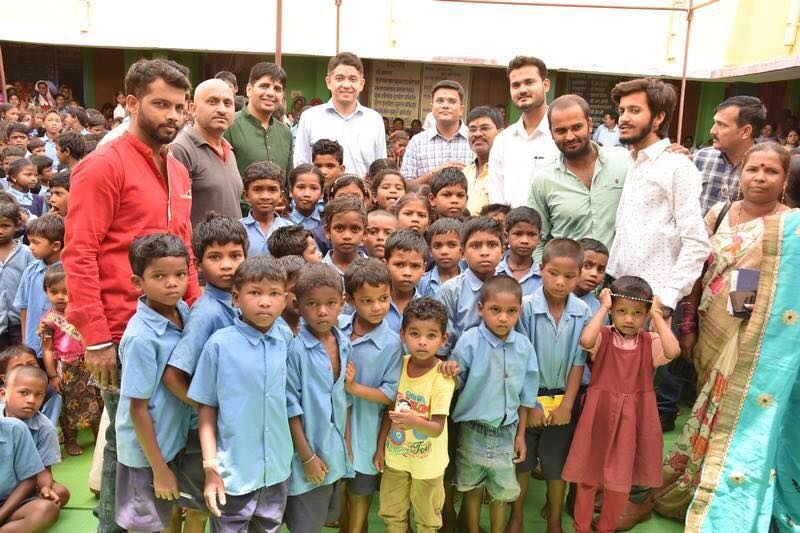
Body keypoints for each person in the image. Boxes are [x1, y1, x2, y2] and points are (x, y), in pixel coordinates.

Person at [62, 58, 200, 533]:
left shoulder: (177, 170)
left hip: (175, 329)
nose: (172, 116)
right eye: (160, 104)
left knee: (164, 442)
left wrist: (197, 319)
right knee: (129, 458)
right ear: (130, 103)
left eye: (180, 107)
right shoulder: (103, 165)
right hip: (123, 334)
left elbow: (185, 253)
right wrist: (97, 338)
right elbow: (78, 253)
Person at [654, 142, 793, 521]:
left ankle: (716, 488)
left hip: (755, 339)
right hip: (708, 327)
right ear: (741, 173)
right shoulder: (717, 214)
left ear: (784, 181)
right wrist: (687, 325)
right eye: (753, 169)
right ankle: (697, 476)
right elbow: (697, 271)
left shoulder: (790, 227)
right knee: (704, 402)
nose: (760, 177)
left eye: (771, 171)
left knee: (733, 414)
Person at [564, 279, 679, 533]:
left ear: (646, 314)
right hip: (599, 414)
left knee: (620, 481)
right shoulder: (603, 336)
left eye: (638, 313)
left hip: (634, 417)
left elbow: (673, 351)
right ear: (613, 310)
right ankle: (581, 527)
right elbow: (585, 340)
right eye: (622, 311)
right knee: (588, 477)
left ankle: (606, 527)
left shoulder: (650, 342)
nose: (629, 319)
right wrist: (603, 308)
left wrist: (657, 315)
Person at [188, 256, 295, 532]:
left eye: (273, 294)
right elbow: (207, 410)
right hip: (232, 473)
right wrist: (211, 467)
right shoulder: (219, 346)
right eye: (255, 293)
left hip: (276, 470)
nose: (264, 302)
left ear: (284, 299)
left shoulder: (285, 339)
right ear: (236, 297)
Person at [114, 234, 201, 533]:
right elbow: (137, 408)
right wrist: (159, 469)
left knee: (168, 514)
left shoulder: (182, 312)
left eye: (179, 275)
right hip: (146, 455)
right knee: (146, 524)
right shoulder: (141, 338)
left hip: (171, 440)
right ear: (138, 282)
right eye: (159, 276)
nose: (172, 284)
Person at [607, 78, 710, 316]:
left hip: (653, 301)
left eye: (634, 110)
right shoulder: (631, 162)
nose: (623, 118)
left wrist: (668, 299)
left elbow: (696, 242)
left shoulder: (677, 167)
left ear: (658, 118)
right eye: (621, 111)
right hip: (620, 291)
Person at [510, 238, 591, 533]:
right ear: (541, 270)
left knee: (557, 466)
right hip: (528, 400)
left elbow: (577, 362)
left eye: (570, 276)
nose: (560, 282)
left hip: (562, 400)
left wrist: (568, 405)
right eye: (554, 273)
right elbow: (522, 359)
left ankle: (555, 519)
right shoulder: (527, 308)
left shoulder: (582, 311)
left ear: (579, 274)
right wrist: (530, 403)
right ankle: (516, 517)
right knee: (523, 463)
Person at [451, 275, 539, 533]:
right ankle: (473, 529)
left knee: (502, 491)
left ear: (519, 311)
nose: (503, 318)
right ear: (481, 309)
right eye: (495, 310)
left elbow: (525, 397)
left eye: (511, 311)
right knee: (471, 487)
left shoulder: (523, 347)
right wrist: (448, 370)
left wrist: (521, 436)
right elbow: (455, 383)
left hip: (507, 432)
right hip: (471, 431)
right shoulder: (468, 341)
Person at [375, 297, 456, 533]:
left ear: (443, 339)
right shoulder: (398, 365)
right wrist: (381, 447)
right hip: (396, 458)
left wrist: (413, 421)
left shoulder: (442, 377)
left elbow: (437, 427)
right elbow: (389, 413)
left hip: (429, 465)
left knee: (427, 518)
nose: (422, 342)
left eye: (431, 336)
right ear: (402, 335)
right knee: (392, 512)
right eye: (414, 334)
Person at [284, 263, 355, 533]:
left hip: (335, 454)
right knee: (305, 525)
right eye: (312, 303)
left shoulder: (343, 343)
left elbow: (344, 400)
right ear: (298, 305)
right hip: (307, 457)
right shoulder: (296, 350)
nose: (322, 311)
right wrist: (307, 457)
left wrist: (347, 442)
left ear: (342, 303)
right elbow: (291, 408)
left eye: (330, 303)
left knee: (325, 519)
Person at [339, 258, 403, 533]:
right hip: (335, 425)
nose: (378, 307)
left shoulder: (392, 343)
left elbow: (391, 395)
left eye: (384, 298)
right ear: (350, 300)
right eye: (367, 301)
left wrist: (354, 389)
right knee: (339, 485)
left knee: (361, 489)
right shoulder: (336, 328)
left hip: (367, 428)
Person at [529, 94, 631, 259]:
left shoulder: (624, 162)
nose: (570, 137)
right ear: (551, 133)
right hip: (566, 281)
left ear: (590, 125)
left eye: (576, 127)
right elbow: (537, 241)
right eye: (561, 130)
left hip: (619, 278)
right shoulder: (543, 180)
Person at [39, 265, 102, 456]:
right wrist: (51, 375)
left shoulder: (82, 311)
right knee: (68, 404)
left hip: (88, 363)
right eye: (54, 292)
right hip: (66, 368)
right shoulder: (48, 321)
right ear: (46, 292)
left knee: (96, 398)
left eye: (66, 292)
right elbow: (47, 349)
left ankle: (99, 436)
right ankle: (71, 439)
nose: (60, 297)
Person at [294, 52, 386, 177]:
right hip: (321, 196)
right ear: (328, 82)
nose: (346, 85)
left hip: (361, 195)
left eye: (353, 79)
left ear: (362, 84)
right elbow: (301, 165)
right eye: (340, 78)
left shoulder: (374, 120)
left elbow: (380, 169)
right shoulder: (310, 118)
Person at [171, 79, 244, 226]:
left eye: (228, 103)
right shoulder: (182, 149)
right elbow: (176, 216)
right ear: (192, 108)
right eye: (212, 101)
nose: (222, 110)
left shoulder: (228, 150)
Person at [488, 56, 557, 207]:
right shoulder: (503, 140)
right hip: (510, 229)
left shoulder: (561, 136)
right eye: (516, 85)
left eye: (529, 82)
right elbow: (496, 195)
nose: (523, 90)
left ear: (545, 85)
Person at [436, 216, 505, 356]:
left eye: (492, 245)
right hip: (459, 367)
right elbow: (443, 343)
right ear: (462, 253)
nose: (484, 252)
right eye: (475, 246)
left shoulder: (509, 288)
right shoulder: (450, 290)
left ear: (502, 251)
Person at [695, 95, 766, 214]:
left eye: (721, 124)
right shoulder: (702, 157)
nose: (712, 131)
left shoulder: (766, 166)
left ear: (745, 131)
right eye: (715, 123)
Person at [224, 62, 293, 178]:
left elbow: (289, 183)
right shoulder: (229, 125)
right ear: (249, 89)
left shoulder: (285, 133)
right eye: (264, 86)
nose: (271, 93)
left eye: (277, 89)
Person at [401, 81, 473, 187]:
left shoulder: (474, 139)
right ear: (432, 107)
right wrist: (434, 174)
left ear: (461, 109)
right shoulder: (417, 142)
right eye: (440, 101)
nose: (445, 106)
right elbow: (405, 186)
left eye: (452, 101)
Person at [14, 215, 63, 357]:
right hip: (34, 343)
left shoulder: (68, 272)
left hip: (62, 346)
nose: (31, 247)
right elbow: (24, 307)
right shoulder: (30, 271)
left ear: (55, 246)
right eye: (30, 242)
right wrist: (25, 339)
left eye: (36, 243)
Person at [0, 416, 59, 532]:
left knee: (46, 509)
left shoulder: (16, 429)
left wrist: (1, 515)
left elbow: (30, 479)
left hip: (8, 502)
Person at [239, 161, 293, 257]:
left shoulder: (290, 228)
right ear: (246, 195)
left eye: (272, 190)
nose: (265, 196)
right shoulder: (238, 229)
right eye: (257, 189)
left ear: (281, 196)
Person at [0, 203, 33, 350]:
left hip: (20, 322)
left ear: (17, 225)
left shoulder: (27, 253)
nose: (0, 231)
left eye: (5, 226)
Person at [383, 230, 426, 331]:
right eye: (399, 265)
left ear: (424, 269)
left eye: (415, 266)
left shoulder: (427, 309)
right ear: (385, 265)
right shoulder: (373, 305)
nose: (407, 272)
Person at [464, 106, 502, 215]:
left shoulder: (507, 172)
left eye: (484, 128)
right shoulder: (465, 173)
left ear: (500, 133)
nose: (477, 134)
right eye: (472, 129)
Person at [496, 206, 543, 296]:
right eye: (518, 234)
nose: (524, 240)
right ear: (506, 236)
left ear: (539, 238)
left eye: (531, 234)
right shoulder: (493, 272)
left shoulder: (544, 277)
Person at [321, 195, 368, 276]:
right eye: (339, 228)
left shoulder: (374, 271)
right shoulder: (318, 273)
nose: (347, 236)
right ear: (328, 231)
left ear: (365, 234)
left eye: (355, 229)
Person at [418, 217, 463, 298]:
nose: (444, 251)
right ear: (430, 251)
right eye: (437, 246)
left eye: (452, 245)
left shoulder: (470, 281)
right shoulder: (421, 282)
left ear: (462, 250)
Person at [287, 164, 324, 230]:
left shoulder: (327, 221)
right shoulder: (282, 222)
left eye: (313, 188)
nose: (307, 194)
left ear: (322, 193)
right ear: (290, 191)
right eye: (301, 187)